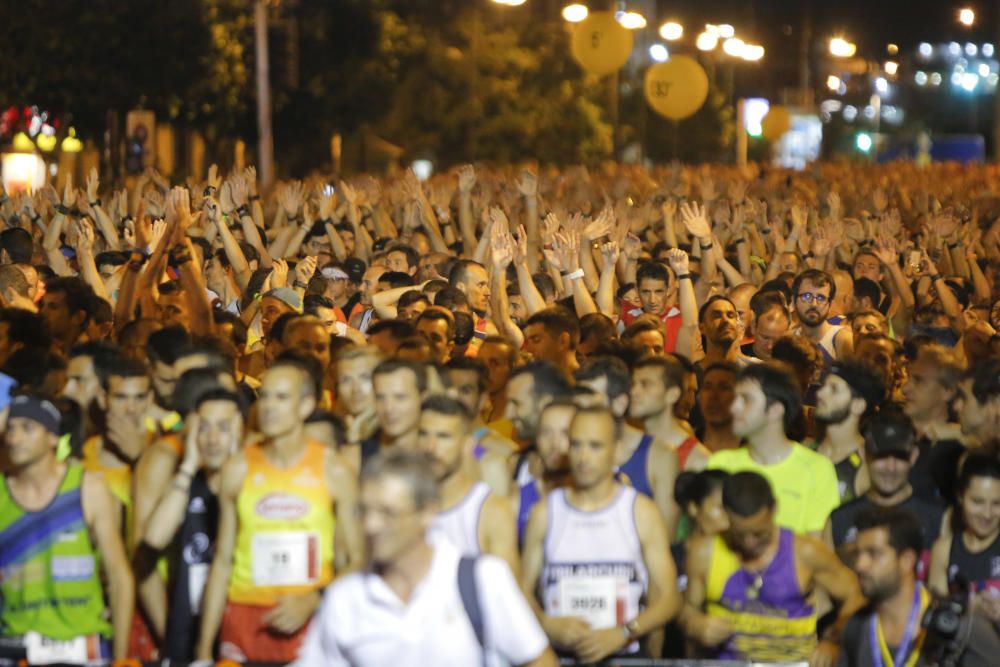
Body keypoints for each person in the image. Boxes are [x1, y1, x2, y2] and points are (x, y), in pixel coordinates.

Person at [294, 450, 557, 666]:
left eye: (387, 513)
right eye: (364, 511)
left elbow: (538, 661)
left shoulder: (481, 580)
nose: (372, 525)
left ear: (427, 513)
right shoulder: (347, 598)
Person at [196, 358, 363, 663]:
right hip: (244, 618)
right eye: (266, 396)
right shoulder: (238, 468)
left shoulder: (335, 470)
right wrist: (204, 650)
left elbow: (356, 560)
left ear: (306, 405)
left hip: (308, 619)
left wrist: (314, 599)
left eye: (282, 397)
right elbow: (222, 561)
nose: (269, 406)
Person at [521, 406, 681, 663]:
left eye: (595, 446)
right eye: (576, 445)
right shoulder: (546, 512)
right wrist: (546, 623)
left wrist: (624, 632)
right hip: (559, 658)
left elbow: (670, 597)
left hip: (623, 656)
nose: (583, 457)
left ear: (617, 450)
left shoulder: (640, 512)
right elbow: (521, 590)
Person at [0, 393, 134, 661]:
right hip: (17, 647)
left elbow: (120, 578)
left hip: (83, 646)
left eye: (27, 428)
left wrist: (120, 659)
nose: (15, 438)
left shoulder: (87, 488)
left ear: (52, 437)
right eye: (11, 429)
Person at [683, 471, 864, 665]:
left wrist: (833, 640)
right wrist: (695, 624)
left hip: (793, 662)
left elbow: (855, 595)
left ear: (774, 508)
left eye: (759, 533)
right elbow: (687, 610)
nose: (750, 543)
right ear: (726, 514)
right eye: (741, 534)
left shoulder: (805, 553)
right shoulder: (704, 552)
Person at [142, 389, 243, 661]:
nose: (212, 439)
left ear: (240, 430)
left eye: (223, 428)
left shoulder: (252, 486)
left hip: (238, 639)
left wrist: (234, 465)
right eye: (204, 428)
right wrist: (188, 464)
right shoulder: (186, 483)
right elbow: (154, 539)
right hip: (185, 639)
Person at [840, 505, 1000, 667]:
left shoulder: (958, 626)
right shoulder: (856, 627)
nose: (860, 565)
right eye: (858, 554)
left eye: (873, 554)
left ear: (907, 560)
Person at [708, 363, 840, 535]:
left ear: (776, 410)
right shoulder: (719, 464)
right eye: (735, 398)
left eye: (746, 399)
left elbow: (815, 546)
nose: (734, 407)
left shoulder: (817, 469)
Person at [826, 409, 944, 573]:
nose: (890, 467)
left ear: (914, 456)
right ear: (863, 453)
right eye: (881, 456)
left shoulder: (938, 519)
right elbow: (825, 590)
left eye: (899, 457)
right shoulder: (839, 520)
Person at [576, 356, 683, 533]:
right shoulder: (571, 453)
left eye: (591, 405)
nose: (581, 414)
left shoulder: (659, 456)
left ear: (620, 404)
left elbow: (665, 538)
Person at [416, 395, 520, 575]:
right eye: (423, 435)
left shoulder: (491, 512)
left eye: (443, 437)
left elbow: (509, 594)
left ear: (467, 445)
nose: (430, 447)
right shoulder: (400, 508)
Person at [929, 454, 1000, 613]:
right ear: (960, 497)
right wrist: (970, 608)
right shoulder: (944, 551)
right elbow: (936, 613)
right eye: (977, 502)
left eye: (997, 503)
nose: (987, 514)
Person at [813, 359, 886, 502]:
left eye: (833, 389)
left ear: (858, 405)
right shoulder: (805, 449)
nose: (820, 393)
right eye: (823, 386)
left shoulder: (867, 466)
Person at [630, 355, 710, 472]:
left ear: (673, 394)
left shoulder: (698, 460)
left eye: (645, 384)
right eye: (633, 384)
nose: (634, 392)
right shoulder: (624, 447)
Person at [513, 399, 576, 545]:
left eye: (565, 433)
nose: (555, 443)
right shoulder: (516, 501)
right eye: (546, 433)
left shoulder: (611, 494)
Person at [792, 269, 853, 365]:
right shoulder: (789, 339)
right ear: (794, 300)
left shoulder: (842, 339)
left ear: (830, 304)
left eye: (821, 298)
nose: (814, 304)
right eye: (807, 297)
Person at [698, 362, 741, 453]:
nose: (713, 396)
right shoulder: (686, 444)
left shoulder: (754, 450)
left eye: (724, 388)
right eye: (707, 387)